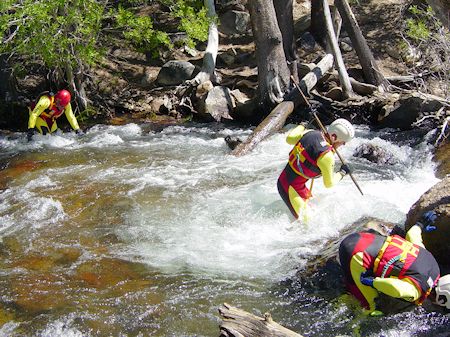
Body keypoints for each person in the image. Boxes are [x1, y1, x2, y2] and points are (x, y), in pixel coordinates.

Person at [339, 211, 450, 316]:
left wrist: (420, 224)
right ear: (441, 300)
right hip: (356, 255)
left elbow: (412, 235)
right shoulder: (416, 291)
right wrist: (373, 282)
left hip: (366, 237)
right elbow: (396, 288)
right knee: (372, 307)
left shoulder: (433, 265)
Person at [277, 118, 355, 220]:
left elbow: (289, 139)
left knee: (315, 208)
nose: (342, 145)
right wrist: (342, 172)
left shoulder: (310, 133)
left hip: (291, 184)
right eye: (343, 142)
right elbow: (329, 183)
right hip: (289, 189)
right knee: (308, 222)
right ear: (335, 137)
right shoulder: (327, 156)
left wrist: (302, 124)